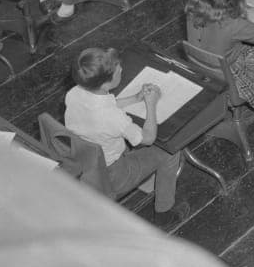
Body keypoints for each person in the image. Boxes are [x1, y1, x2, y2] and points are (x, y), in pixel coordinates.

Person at [63, 46, 184, 214]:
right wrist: (151, 104)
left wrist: (135, 98)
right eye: (117, 70)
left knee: (132, 145)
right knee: (170, 152)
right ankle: (165, 208)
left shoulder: (74, 93)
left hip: (85, 161)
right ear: (105, 84)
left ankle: (144, 179)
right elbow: (148, 138)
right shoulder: (113, 118)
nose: (120, 69)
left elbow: (106, 106)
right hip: (113, 175)